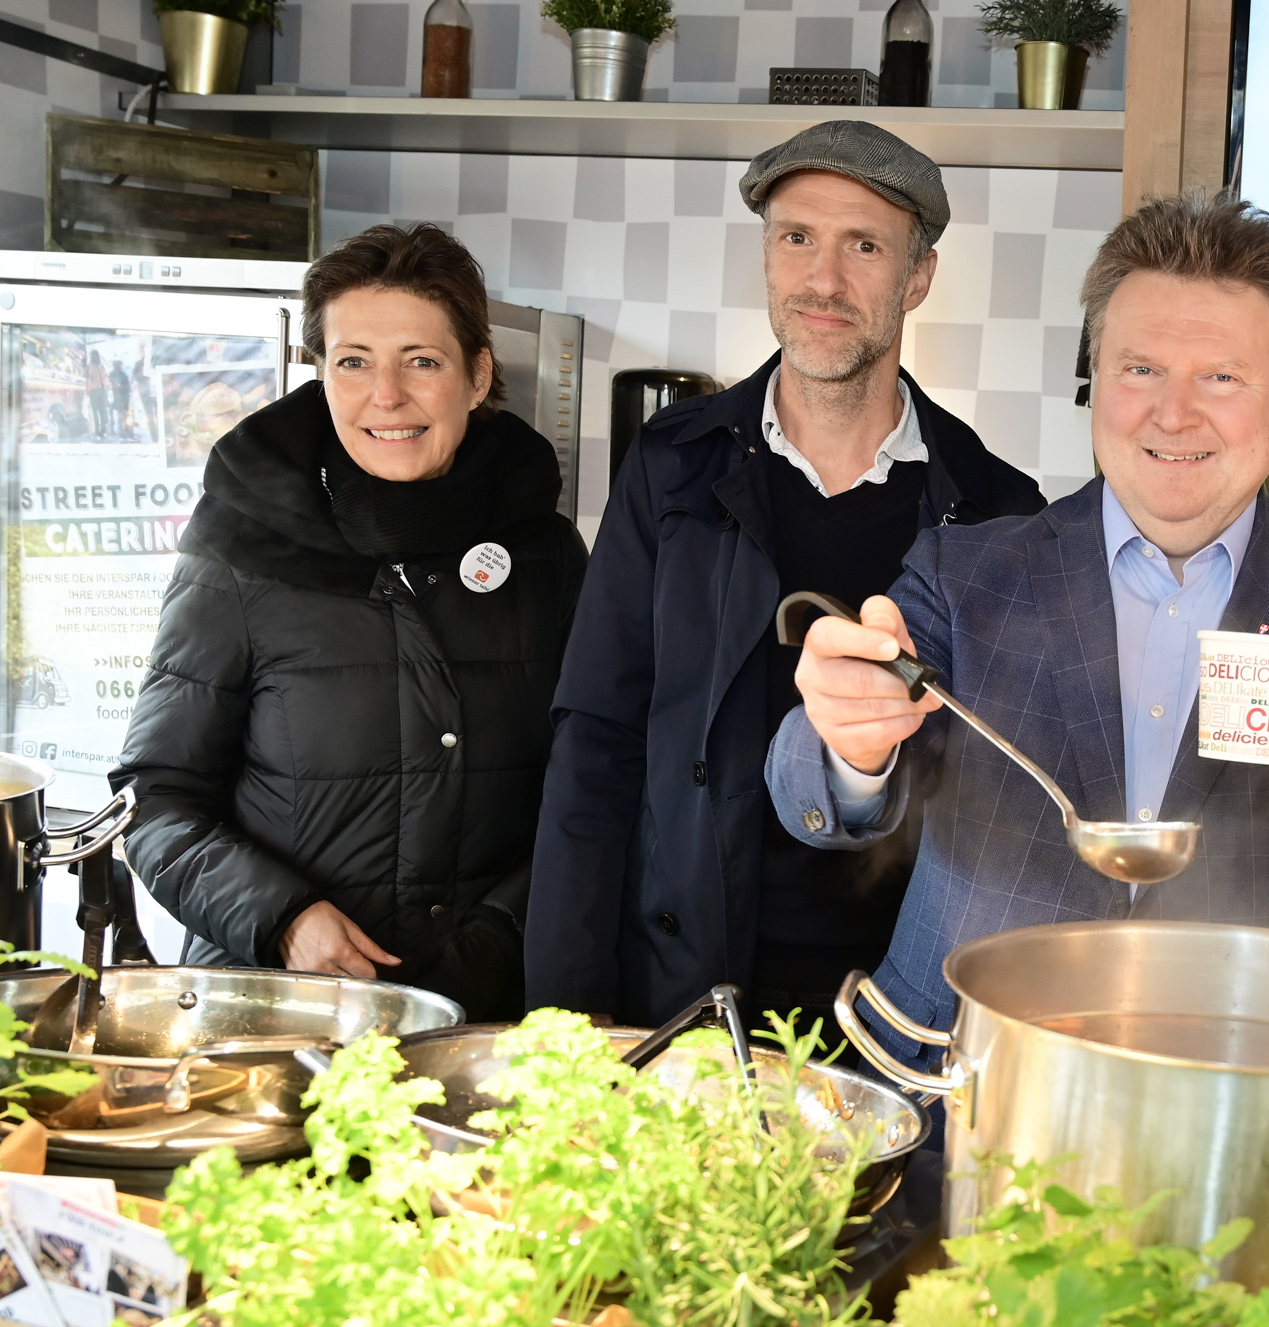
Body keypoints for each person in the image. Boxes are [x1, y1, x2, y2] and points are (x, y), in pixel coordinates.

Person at [771, 191, 1269, 1069]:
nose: (1173, 414)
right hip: (958, 1082)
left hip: (1226, 1111)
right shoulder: (966, 575)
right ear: (1095, 378)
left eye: (1221, 377)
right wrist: (848, 741)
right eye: (1140, 369)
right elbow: (812, 793)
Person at [525, 121, 1042, 1034]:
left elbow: (1011, 799)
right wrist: (565, 1023)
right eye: (797, 238)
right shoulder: (671, 471)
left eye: (865, 246)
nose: (824, 280)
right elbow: (596, 743)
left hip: (906, 1012)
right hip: (683, 994)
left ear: (917, 277)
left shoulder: (997, 509)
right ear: (767, 257)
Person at [113, 224, 587, 1022]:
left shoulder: (545, 552)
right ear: (320, 373)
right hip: (276, 1011)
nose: (386, 396)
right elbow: (156, 799)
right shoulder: (239, 544)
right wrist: (282, 918)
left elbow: (595, 777)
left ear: (478, 376)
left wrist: (507, 928)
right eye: (353, 361)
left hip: (486, 1018)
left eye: (422, 362)